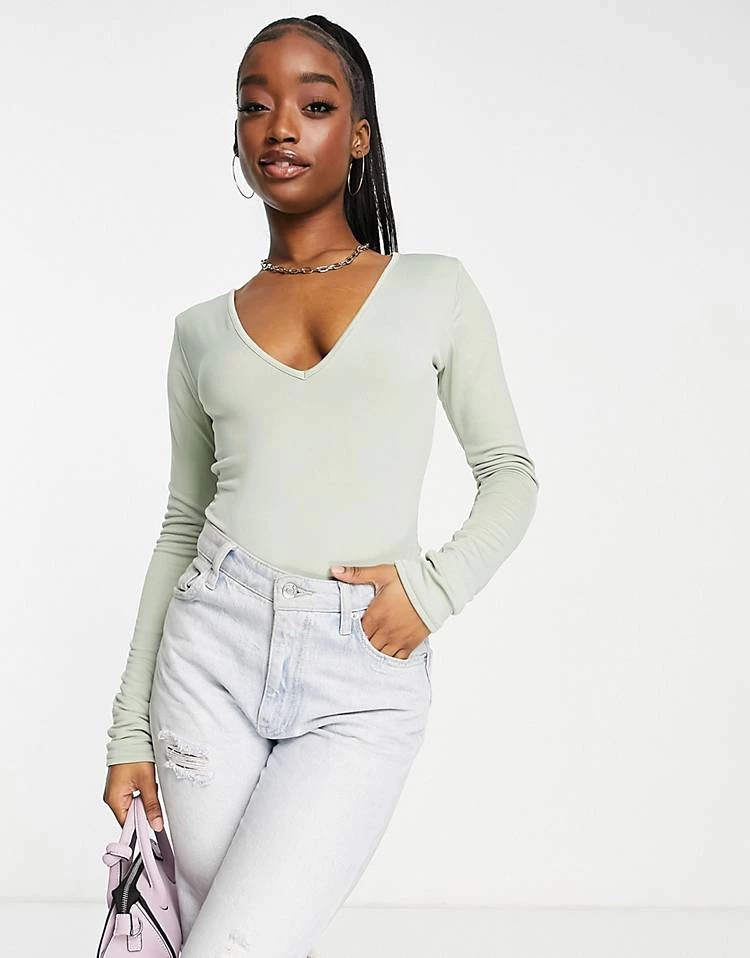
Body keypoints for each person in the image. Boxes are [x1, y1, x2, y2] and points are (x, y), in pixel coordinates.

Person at [102, 14, 539, 958]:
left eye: (314, 104)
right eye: (255, 106)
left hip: (360, 675)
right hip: (209, 656)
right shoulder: (199, 331)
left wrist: (433, 591)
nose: (280, 127)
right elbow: (181, 524)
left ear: (360, 135)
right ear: (237, 137)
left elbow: (509, 475)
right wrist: (127, 731)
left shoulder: (434, 290)